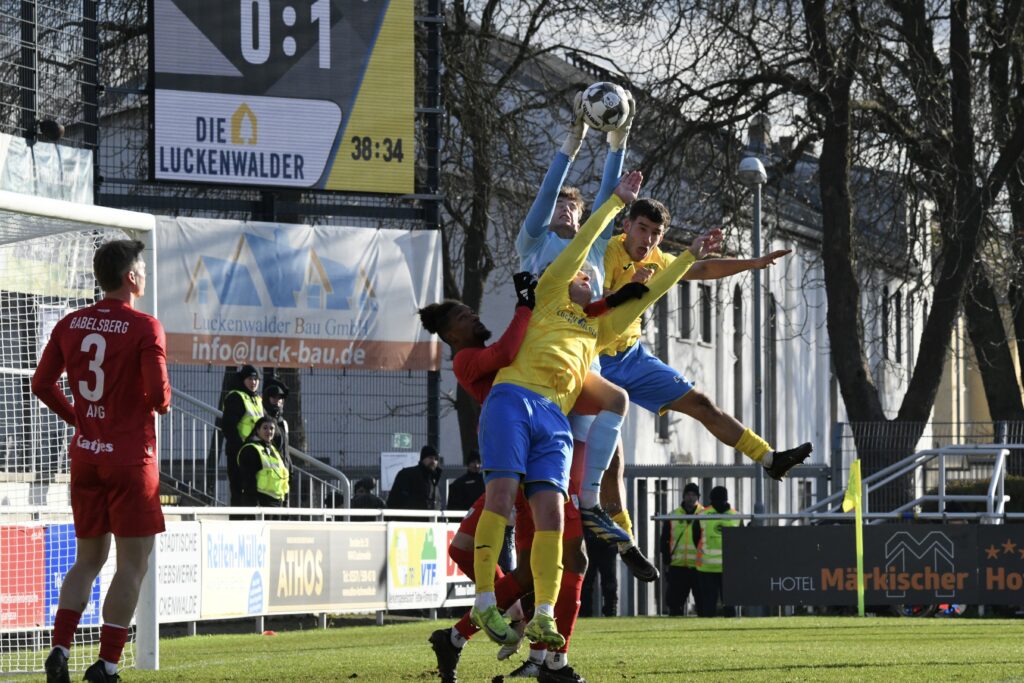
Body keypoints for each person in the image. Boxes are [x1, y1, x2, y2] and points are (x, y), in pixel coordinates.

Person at [470, 169, 721, 651]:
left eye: (591, 277)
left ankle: (543, 614)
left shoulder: (600, 329)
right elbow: (582, 240)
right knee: (501, 497)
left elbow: (650, 292)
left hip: (553, 421)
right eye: (578, 271)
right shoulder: (548, 294)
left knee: (553, 518)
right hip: (514, 399)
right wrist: (613, 203)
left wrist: (689, 256)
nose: (583, 275)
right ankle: (484, 601)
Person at [515, 93, 660, 583]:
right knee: (545, 494)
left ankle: (597, 510)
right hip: (542, 366)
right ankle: (517, 589)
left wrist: (617, 142)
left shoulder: (594, 249)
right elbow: (546, 197)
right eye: (558, 208)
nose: (564, 214)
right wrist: (570, 145)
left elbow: (608, 197)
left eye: (572, 212)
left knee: (610, 418)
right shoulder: (534, 243)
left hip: (584, 360)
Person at [32, 239, 170, 683]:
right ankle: (107, 665)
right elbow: (161, 399)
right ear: (131, 278)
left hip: (87, 457)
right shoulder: (145, 326)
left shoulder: (72, 323)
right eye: (142, 268)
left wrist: (80, 418)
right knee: (133, 563)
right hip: (131, 460)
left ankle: (59, 649)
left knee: (87, 559)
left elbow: (41, 383)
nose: (145, 274)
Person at [601, 197, 813, 481]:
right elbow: (596, 305)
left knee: (702, 404)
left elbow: (702, 269)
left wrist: (754, 263)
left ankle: (769, 458)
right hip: (596, 359)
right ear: (626, 226)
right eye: (642, 229)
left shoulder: (659, 260)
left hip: (632, 356)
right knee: (610, 457)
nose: (647, 239)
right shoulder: (608, 251)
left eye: (655, 233)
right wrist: (630, 285)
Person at [220, 364, 264, 505]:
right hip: (239, 452)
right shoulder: (236, 397)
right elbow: (228, 427)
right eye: (250, 379)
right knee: (239, 491)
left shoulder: (257, 399)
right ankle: (237, 524)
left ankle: (250, 524)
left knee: (252, 492)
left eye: (256, 379)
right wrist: (241, 448)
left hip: (255, 452)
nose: (254, 382)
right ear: (243, 380)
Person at [695, 485, 740, 617]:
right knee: (729, 603)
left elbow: (695, 537)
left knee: (709, 603)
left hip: (707, 565)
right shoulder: (736, 515)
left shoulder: (702, 515)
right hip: (728, 566)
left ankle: (707, 628)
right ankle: (730, 628)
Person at [660, 482, 703, 616]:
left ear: (698, 497)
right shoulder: (673, 515)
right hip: (678, 565)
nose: (691, 498)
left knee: (702, 604)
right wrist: (667, 560)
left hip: (698, 566)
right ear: (683, 496)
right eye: (688, 494)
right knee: (674, 604)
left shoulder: (704, 515)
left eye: (694, 495)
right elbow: (664, 540)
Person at [236, 416, 290, 508]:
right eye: (265, 428)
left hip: (278, 501)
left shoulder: (273, 449)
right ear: (257, 430)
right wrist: (253, 503)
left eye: (272, 428)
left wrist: (285, 501)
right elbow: (248, 480)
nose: (269, 431)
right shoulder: (251, 449)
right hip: (261, 502)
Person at [261, 381, 292, 502]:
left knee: (283, 515)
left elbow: (286, 449)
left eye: (280, 399)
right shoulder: (262, 420)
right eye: (274, 397)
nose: (278, 401)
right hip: (268, 477)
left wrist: (290, 467)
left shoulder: (283, 422)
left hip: (283, 474)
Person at [386, 445, 442, 510]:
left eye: (436, 459)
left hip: (430, 519)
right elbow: (394, 499)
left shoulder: (434, 479)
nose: (433, 461)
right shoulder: (407, 475)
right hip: (410, 518)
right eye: (430, 457)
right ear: (423, 459)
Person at [580, 525, 619, 617]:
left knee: (609, 582)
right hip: (589, 542)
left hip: (607, 544)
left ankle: (610, 611)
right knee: (586, 583)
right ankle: (585, 613)